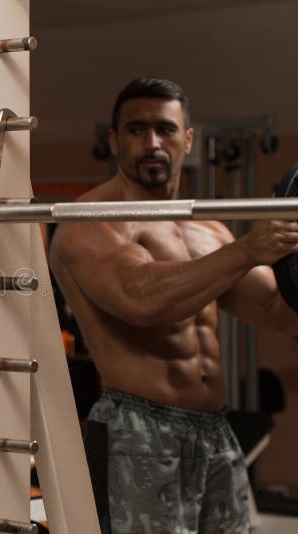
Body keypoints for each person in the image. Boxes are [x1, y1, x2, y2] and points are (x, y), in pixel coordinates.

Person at [49, 77, 298, 534]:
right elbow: (141, 301)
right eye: (136, 129)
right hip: (137, 428)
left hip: (215, 429)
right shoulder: (89, 222)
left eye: (164, 129)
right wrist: (248, 250)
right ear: (113, 140)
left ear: (187, 139)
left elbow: (276, 312)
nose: (151, 142)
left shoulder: (208, 231)